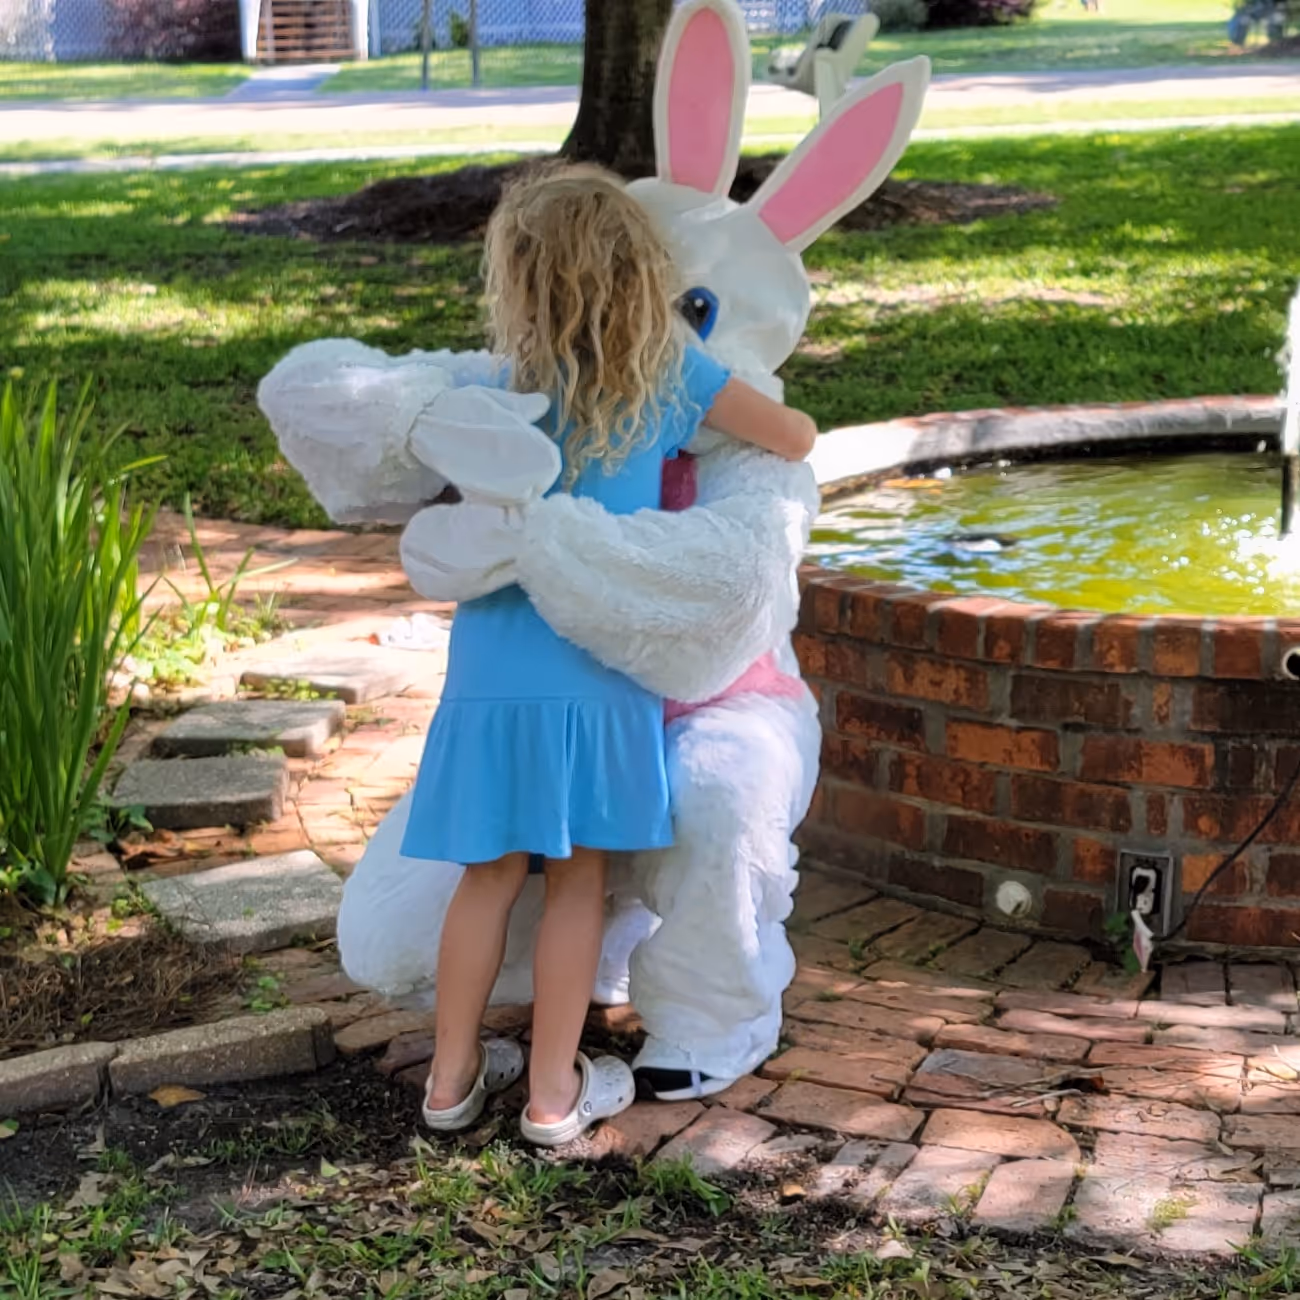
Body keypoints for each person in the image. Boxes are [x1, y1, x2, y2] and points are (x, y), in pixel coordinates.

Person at [408, 165, 817, 1147]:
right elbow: (796, 436)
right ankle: (554, 1095)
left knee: (487, 874)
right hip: (593, 662)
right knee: (578, 879)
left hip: (489, 665)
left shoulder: (498, 385)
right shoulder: (672, 376)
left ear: (518, 280)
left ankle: (448, 1079)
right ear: (641, 270)